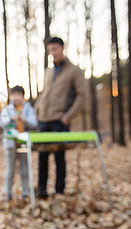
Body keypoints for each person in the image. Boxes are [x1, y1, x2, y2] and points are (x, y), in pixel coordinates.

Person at [34, 37, 86, 199]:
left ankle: (59, 191)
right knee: (42, 156)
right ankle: (42, 190)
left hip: (60, 120)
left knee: (59, 157)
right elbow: (44, 93)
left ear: (62, 48)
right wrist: (37, 111)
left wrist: (68, 116)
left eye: (55, 49)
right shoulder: (49, 71)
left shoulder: (74, 71)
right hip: (44, 120)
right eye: (50, 50)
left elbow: (81, 96)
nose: (52, 53)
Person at [0, 86, 38, 202]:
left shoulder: (28, 109)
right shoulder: (7, 109)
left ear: (22, 96)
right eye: (13, 94)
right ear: (10, 96)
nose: (16, 97)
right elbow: (2, 123)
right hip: (11, 144)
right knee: (10, 170)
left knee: (25, 169)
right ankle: (8, 194)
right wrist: (11, 119)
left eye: (18, 94)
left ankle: (25, 193)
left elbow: (34, 124)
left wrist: (24, 119)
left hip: (24, 143)